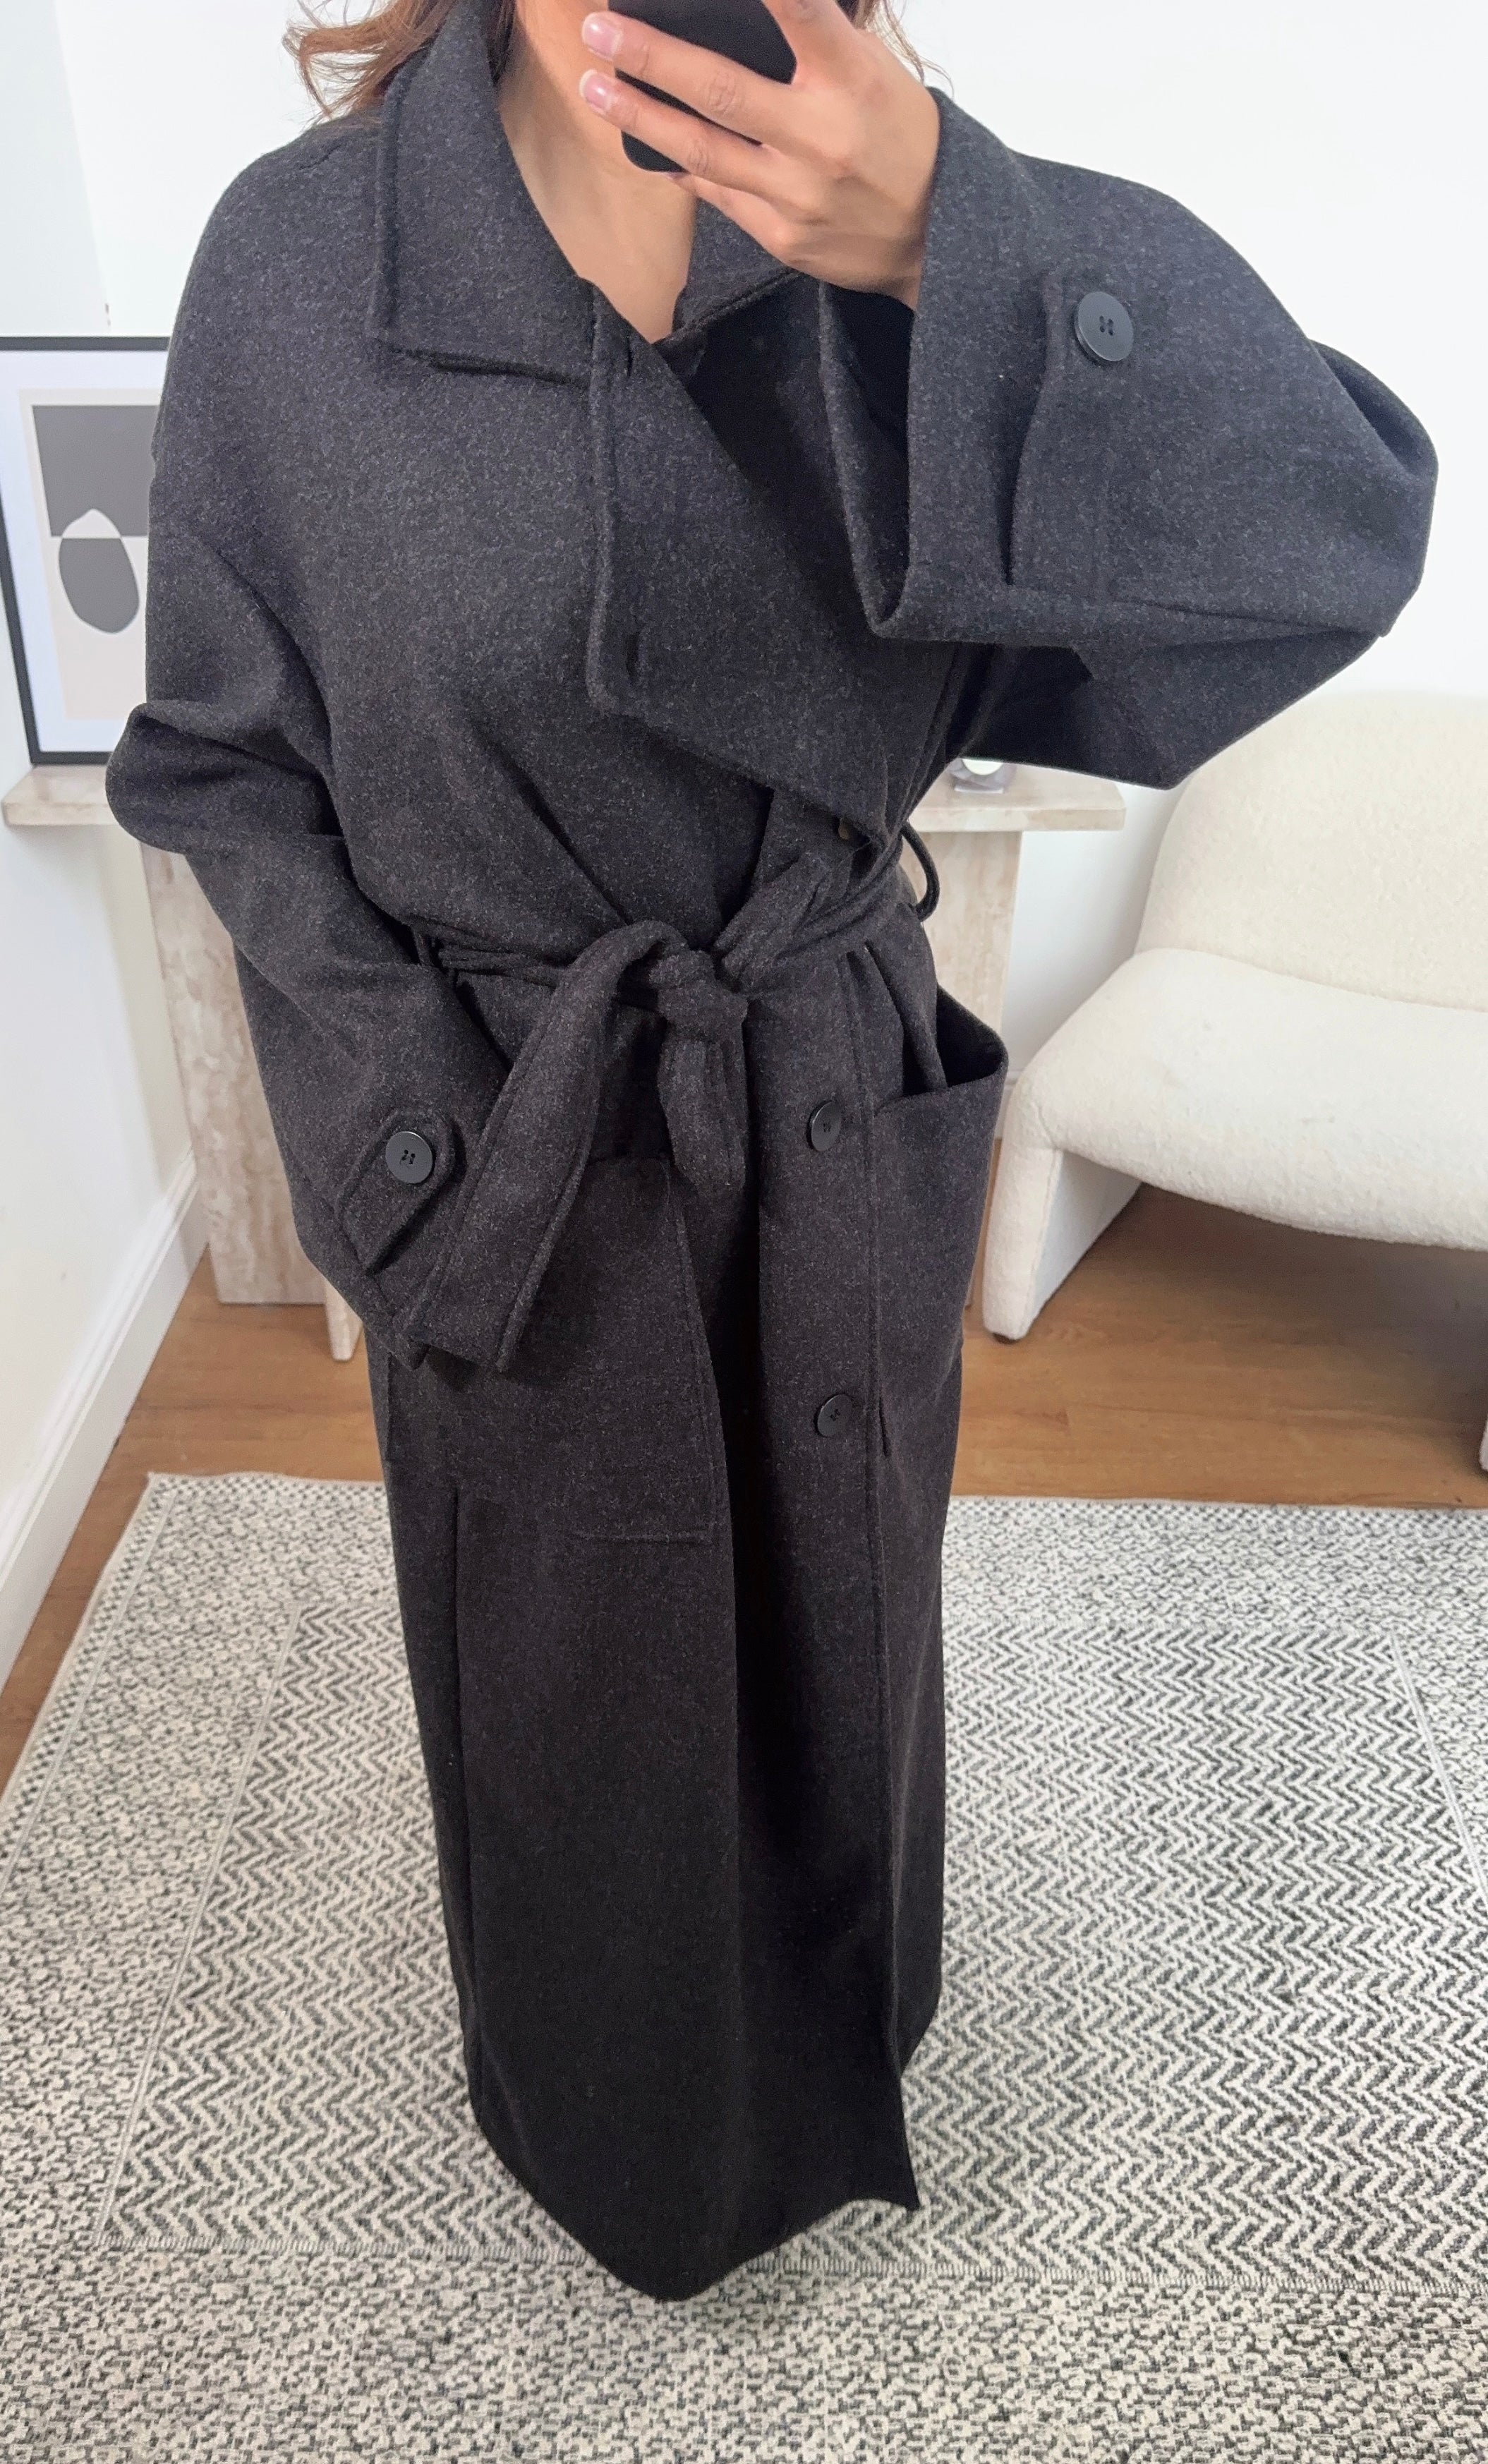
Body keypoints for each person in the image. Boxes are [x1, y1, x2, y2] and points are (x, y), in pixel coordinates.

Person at [104, 0, 1434, 2300]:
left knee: (850, 1614)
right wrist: (415, 1159)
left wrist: (949, 247)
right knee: (567, 1680)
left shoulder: (904, 229)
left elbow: (1332, 537)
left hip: (824, 1082)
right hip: (514, 1135)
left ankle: (850, 2001)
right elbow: (223, 764)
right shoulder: (304, 266)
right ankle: (602, 2110)